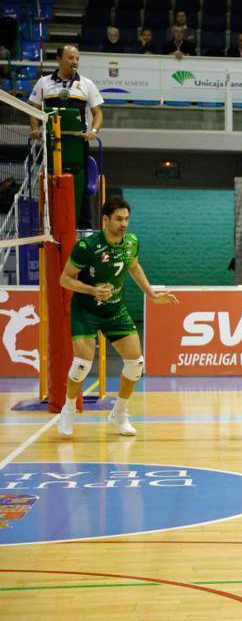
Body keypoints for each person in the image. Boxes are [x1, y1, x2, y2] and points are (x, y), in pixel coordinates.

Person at [56, 196, 178, 438]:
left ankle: (119, 413)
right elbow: (65, 279)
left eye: (127, 219)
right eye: (119, 219)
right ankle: (68, 410)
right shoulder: (87, 246)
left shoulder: (131, 242)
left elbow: (133, 266)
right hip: (86, 309)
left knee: (136, 364)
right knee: (81, 365)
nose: (124, 224)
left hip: (114, 309)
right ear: (105, 220)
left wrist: (152, 293)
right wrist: (92, 290)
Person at [28, 45, 104, 229]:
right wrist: (36, 129)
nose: (75, 62)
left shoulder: (86, 84)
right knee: (51, 183)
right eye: (71, 58)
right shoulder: (43, 83)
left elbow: (98, 114)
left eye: (77, 58)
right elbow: (33, 111)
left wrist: (93, 132)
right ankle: (50, 225)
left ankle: (83, 227)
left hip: (78, 144)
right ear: (59, 59)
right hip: (51, 143)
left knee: (81, 184)